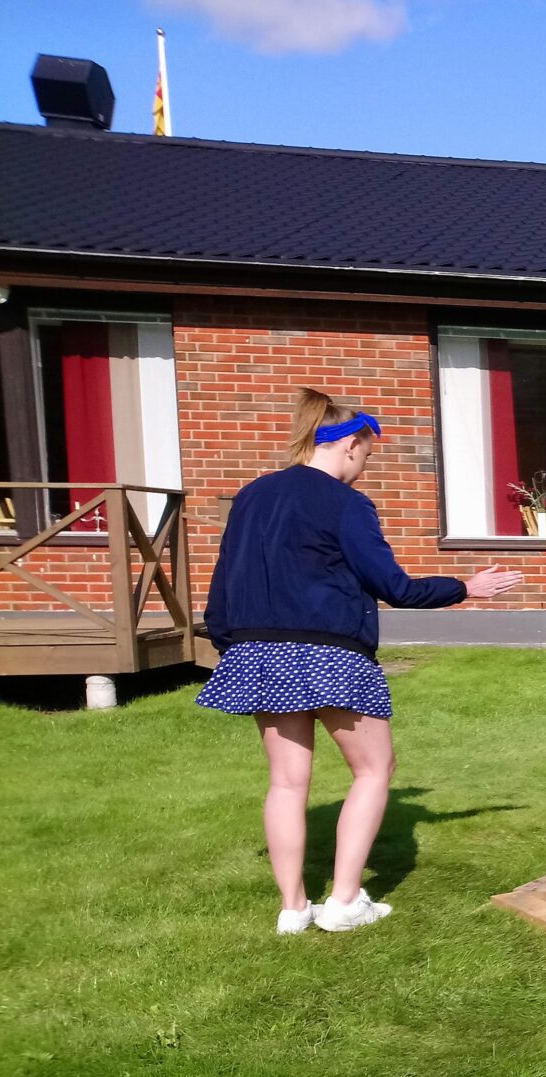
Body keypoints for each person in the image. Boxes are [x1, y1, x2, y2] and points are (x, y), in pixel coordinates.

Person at [199, 387, 523, 933]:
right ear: (350, 444)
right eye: (367, 455)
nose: (364, 468)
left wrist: (234, 644)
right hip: (331, 654)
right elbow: (393, 586)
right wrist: (466, 586)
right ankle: (345, 903)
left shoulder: (252, 496)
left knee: (286, 782)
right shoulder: (346, 503)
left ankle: (293, 909)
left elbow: (223, 584)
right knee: (374, 769)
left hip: (256, 652)